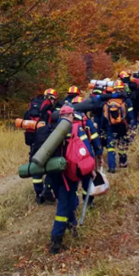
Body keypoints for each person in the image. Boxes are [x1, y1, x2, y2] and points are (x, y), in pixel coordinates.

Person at [49, 104, 94, 254]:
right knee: (64, 203)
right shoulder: (76, 128)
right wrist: (90, 169)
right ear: (71, 116)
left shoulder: (51, 128)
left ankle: (72, 224)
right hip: (68, 173)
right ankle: (56, 239)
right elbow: (85, 150)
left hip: (52, 173)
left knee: (68, 200)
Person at [24, 88, 57, 204]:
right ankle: (47, 189)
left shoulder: (32, 108)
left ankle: (38, 195)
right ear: (52, 99)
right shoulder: (49, 111)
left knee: (36, 167)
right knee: (50, 164)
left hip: (33, 141)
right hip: (44, 140)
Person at [71, 96, 103, 208]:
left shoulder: (66, 119)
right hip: (85, 154)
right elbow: (94, 137)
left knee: (72, 181)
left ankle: (73, 203)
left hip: (70, 155)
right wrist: (99, 153)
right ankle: (88, 201)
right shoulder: (85, 120)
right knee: (87, 179)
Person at [104, 80, 135, 173]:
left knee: (111, 146)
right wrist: (131, 125)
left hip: (110, 126)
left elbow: (104, 116)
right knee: (122, 143)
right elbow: (130, 115)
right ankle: (122, 162)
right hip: (122, 125)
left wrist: (103, 127)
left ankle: (112, 167)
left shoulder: (108, 100)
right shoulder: (126, 100)